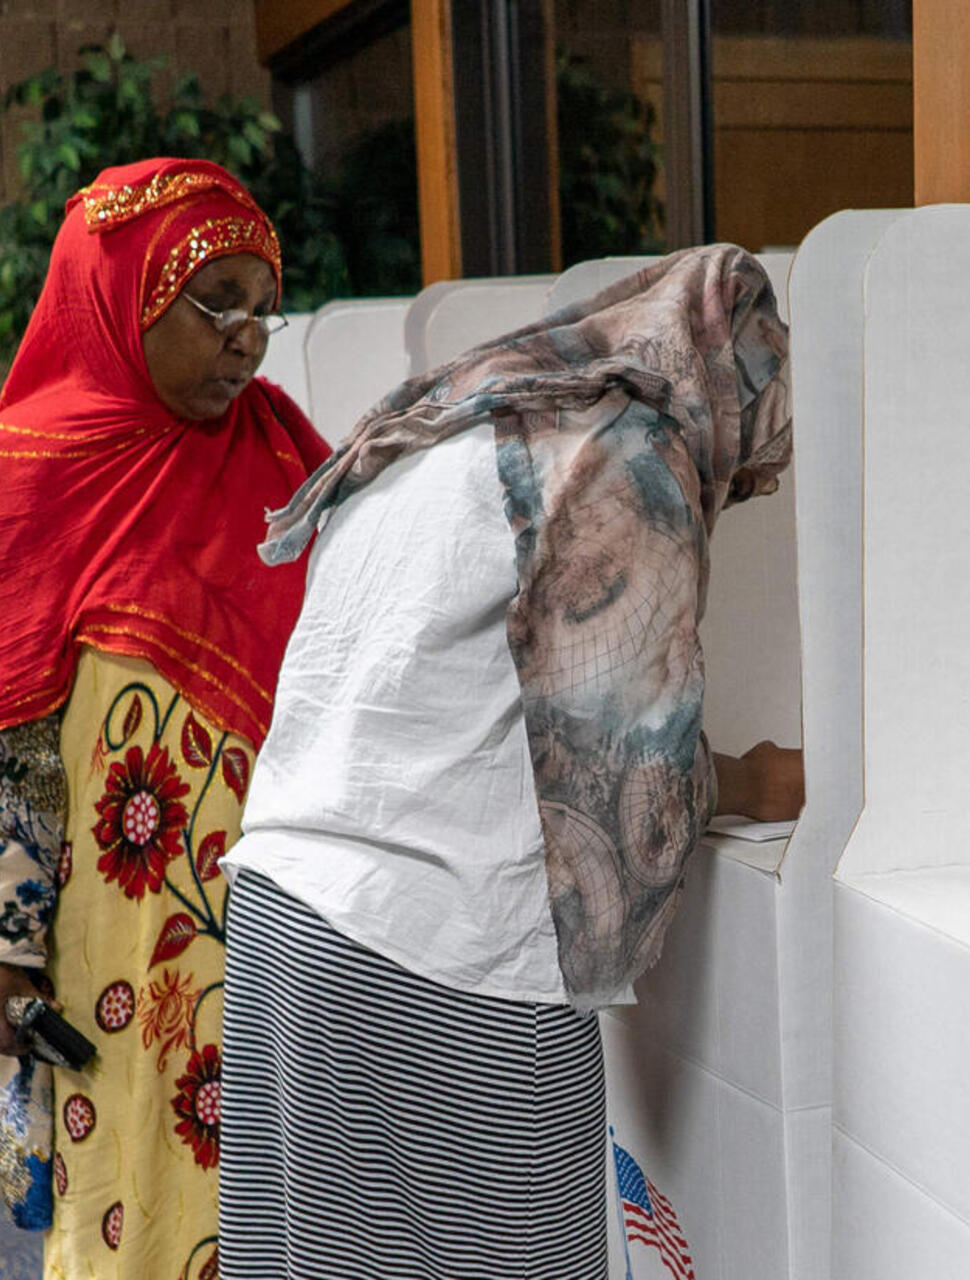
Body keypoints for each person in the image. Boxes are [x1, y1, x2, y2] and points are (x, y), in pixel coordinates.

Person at [217, 243, 802, 1279]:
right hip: (434, 957)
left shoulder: (464, 412)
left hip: (285, 914)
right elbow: (619, 778)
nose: (738, 487)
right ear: (732, 388)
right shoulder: (629, 450)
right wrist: (754, 780)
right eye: (749, 464)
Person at [0, 158, 329, 1280]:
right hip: (112, 952)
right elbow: (9, 744)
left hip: (288, 923)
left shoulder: (287, 458)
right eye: (215, 303)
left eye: (262, 308)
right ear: (119, 295)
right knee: (133, 1206)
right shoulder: (29, 475)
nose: (246, 337)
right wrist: (4, 947)